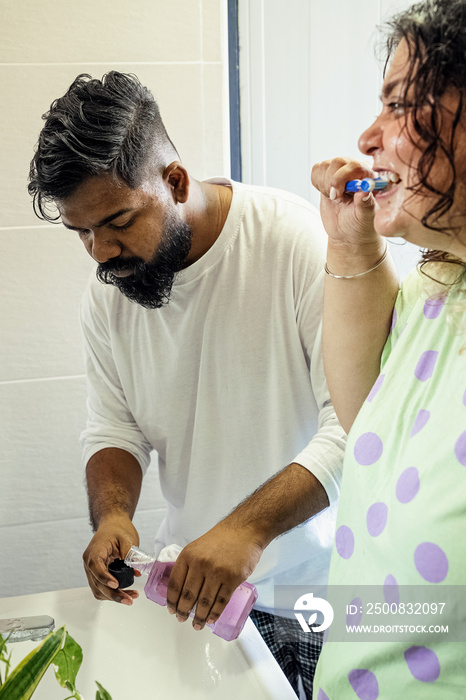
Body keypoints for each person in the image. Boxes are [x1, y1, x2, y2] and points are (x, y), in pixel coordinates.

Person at [28, 72, 346, 698]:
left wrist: (246, 530)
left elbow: (354, 428)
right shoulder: (111, 293)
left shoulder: (292, 243)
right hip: (199, 596)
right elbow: (113, 426)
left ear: (173, 181)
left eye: (116, 221)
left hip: (319, 598)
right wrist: (113, 514)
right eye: (81, 233)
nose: (98, 252)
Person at [311, 0, 466, 697]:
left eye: (402, 105)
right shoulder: (438, 286)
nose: (369, 138)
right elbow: (362, 412)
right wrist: (350, 237)